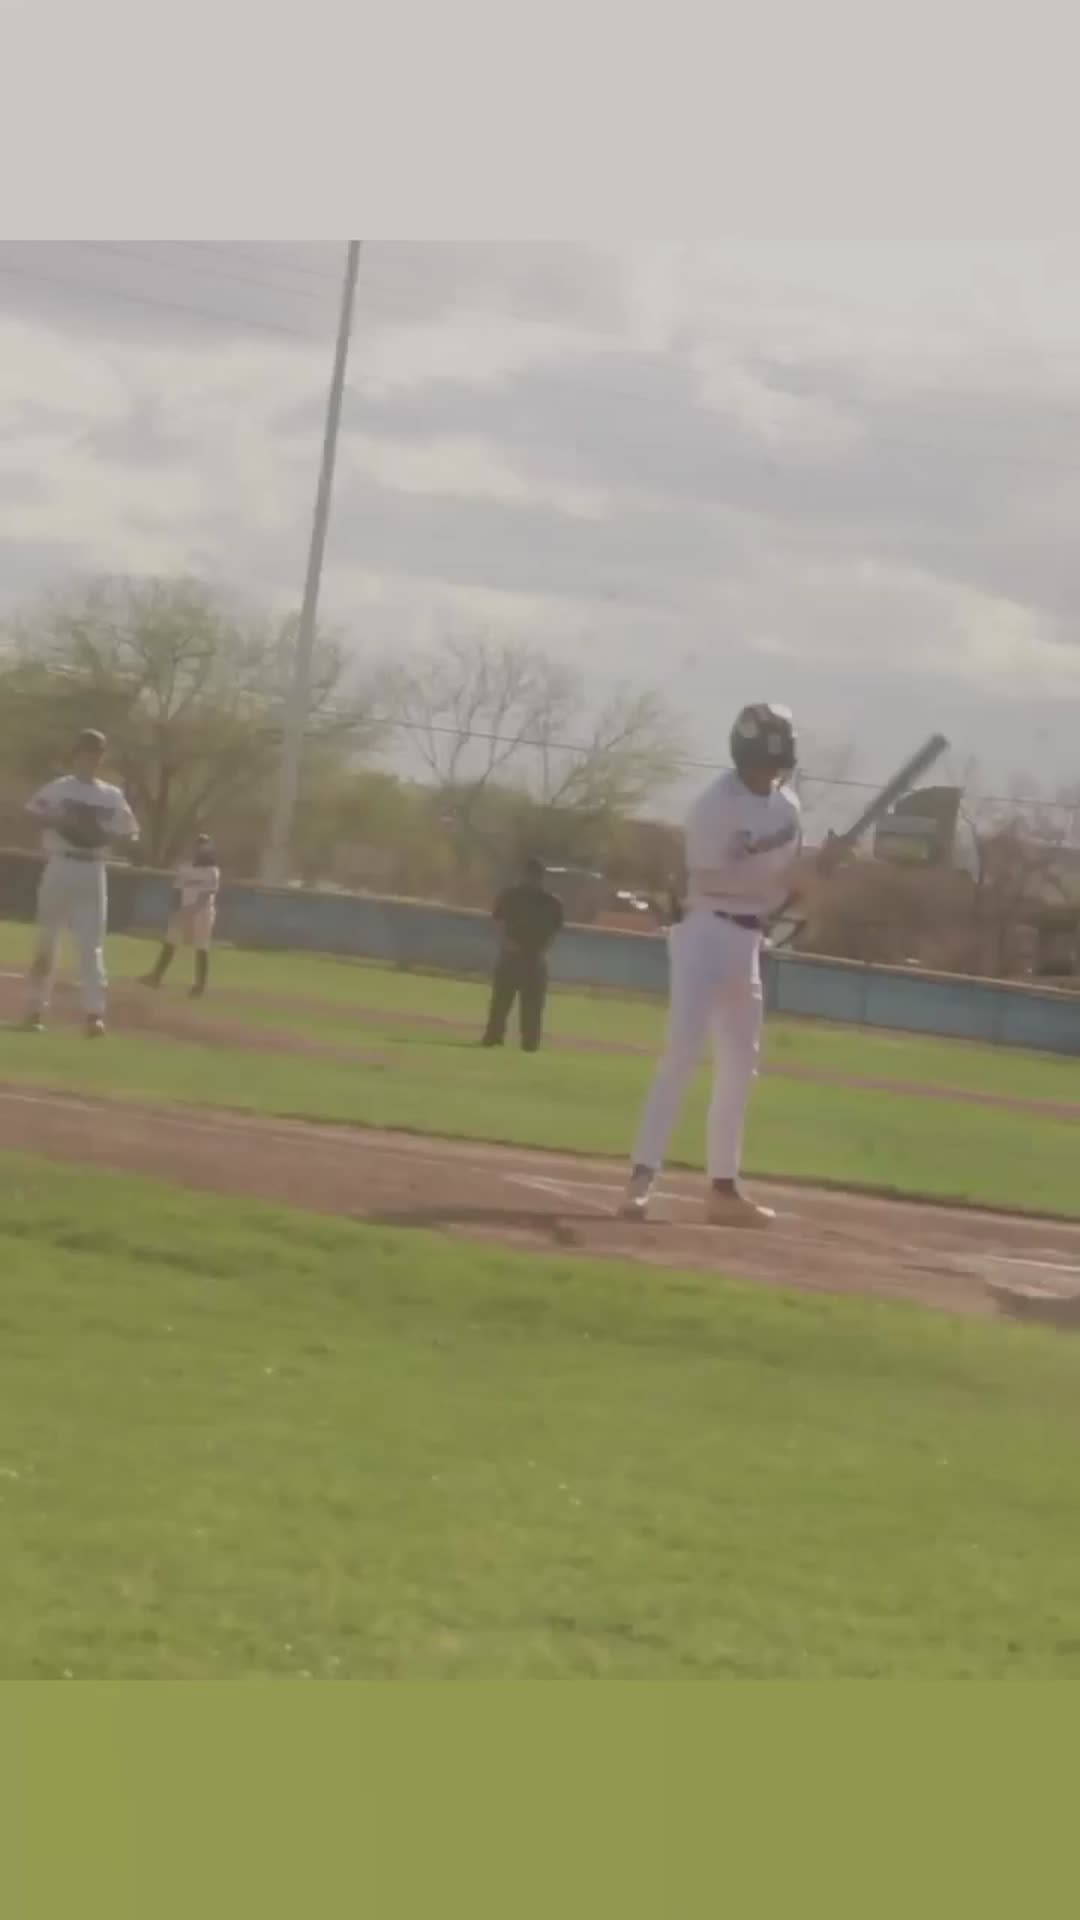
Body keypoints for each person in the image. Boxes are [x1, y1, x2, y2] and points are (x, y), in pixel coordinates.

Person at [621, 703, 807, 1228]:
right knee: (682, 1053)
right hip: (704, 931)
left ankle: (724, 1188)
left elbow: (785, 885)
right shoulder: (713, 805)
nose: (771, 770)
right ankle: (642, 1176)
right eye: (765, 759)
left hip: (748, 941)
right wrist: (783, 881)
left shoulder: (790, 807)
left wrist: (817, 872)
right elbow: (713, 878)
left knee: (740, 1066)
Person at [22, 729, 138, 1037]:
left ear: (102, 757)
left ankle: (93, 1014)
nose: (91, 756)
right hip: (61, 864)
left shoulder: (111, 795)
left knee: (91, 944)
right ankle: (35, 1008)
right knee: (47, 939)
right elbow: (31, 814)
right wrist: (60, 821)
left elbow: (131, 833)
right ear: (75, 754)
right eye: (86, 750)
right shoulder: (59, 788)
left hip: (93, 869)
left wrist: (104, 833)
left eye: (97, 752)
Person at [481, 856, 565, 1052]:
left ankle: (528, 1042)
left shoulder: (550, 902)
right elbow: (498, 922)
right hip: (514, 954)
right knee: (502, 1001)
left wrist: (542, 950)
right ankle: (495, 1037)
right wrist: (506, 942)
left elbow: (555, 930)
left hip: (532, 957)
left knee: (530, 1005)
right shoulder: (512, 896)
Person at [140, 834, 220, 998]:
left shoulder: (212, 870)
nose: (201, 848)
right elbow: (177, 891)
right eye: (199, 844)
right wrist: (175, 910)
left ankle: (199, 986)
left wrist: (190, 910)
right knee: (171, 941)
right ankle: (156, 977)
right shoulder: (185, 867)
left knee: (201, 947)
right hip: (183, 911)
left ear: (209, 848)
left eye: (204, 845)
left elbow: (207, 895)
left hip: (203, 912)